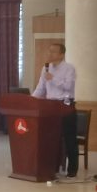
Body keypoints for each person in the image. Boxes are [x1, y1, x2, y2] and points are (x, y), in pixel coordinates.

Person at [32, 43, 79, 177]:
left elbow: (68, 87)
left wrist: (53, 79)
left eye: (53, 52)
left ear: (61, 54)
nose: (50, 54)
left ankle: (72, 170)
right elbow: (41, 88)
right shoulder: (46, 68)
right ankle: (53, 167)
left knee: (69, 138)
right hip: (50, 106)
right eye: (49, 51)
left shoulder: (69, 68)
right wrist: (31, 100)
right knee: (51, 138)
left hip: (65, 105)